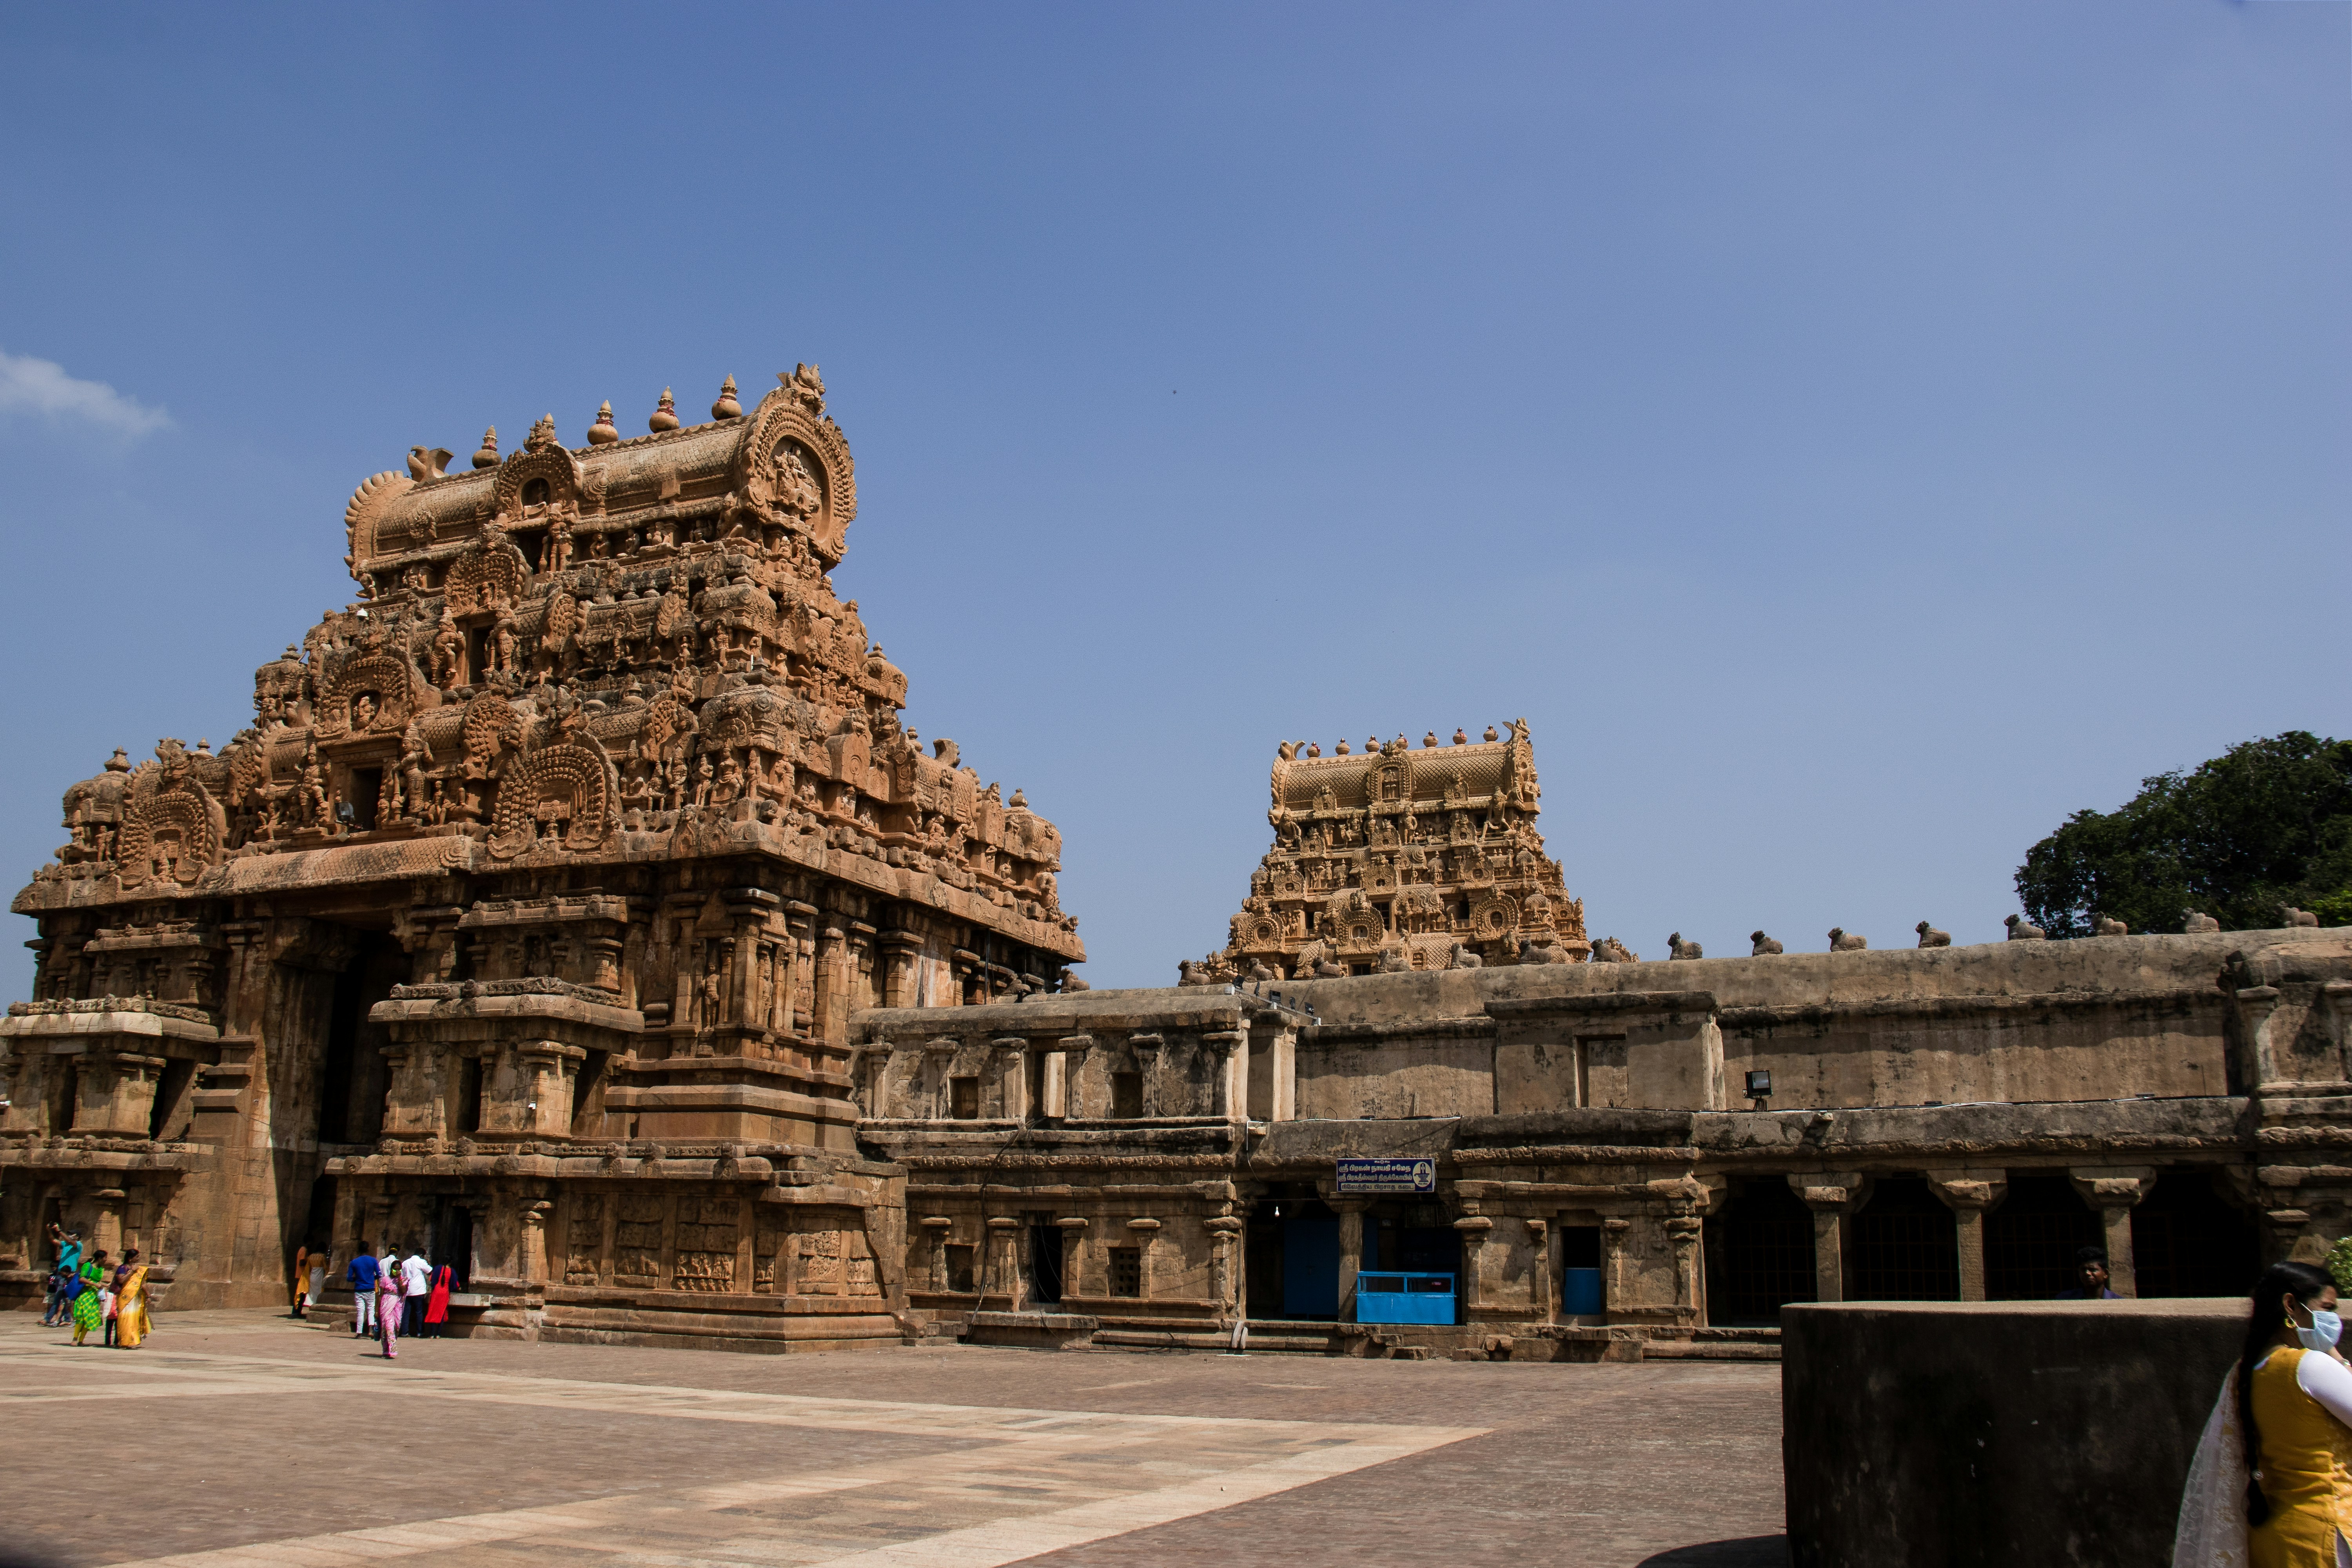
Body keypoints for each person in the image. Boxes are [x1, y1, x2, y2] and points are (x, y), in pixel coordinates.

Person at [2173, 1259, 2352, 1567]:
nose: (2335, 1320)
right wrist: (2337, 1357)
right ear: (2290, 1306)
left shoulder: (2247, 1370)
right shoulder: (2310, 1366)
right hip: (2323, 1531)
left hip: (2273, 1533)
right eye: (2327, 1308)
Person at [69, 1249, 107, 1346]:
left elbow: (97, 1281)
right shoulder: (88, 1266)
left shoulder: (101, 1269)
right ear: (100, 1258)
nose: (106, 1260)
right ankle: (75, 1338)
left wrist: (105, 1285)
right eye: (105, 1258)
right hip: (85, 1294)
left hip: (94, 1296)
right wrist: (94, 1284)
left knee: (89, 1318)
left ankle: (81, 1340)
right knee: (81, 1317)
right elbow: (82, 1279)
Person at [112, 1250, 149, 1350]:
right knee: (124, 1320)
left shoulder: (139, 1270)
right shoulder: (122, 1268)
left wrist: (148, 1296)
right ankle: (123, 1342)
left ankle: (131, 1341)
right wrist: (132, 1271)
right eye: (137, 1257)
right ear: (130, 1258)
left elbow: (143, 1284)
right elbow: (121, 1280)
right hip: (125, 1298)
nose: (139, 1259)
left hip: (135, 1298)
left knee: (133, 1320)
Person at [2058, 1246, 2123, 1299]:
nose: (2087, 1273)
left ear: (2105, 1274)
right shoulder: (2066, 1299)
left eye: (2092, 1270)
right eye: (2083, 1270)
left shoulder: (2118, 1302)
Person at [374, 1257, 406, 1360]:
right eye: (395, 1269)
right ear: (391, 1269)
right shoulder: (385, 1280)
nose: (397, 1271)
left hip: (397, 1306)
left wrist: (400, 1279)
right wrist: (376, 1310)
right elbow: (380, 1295)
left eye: (399, 1270)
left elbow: (403, 1291)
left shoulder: (404, 1279)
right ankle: (389, 1350)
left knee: (396, 1327)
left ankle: (390, 1347)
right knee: (388, 1327)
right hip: (386, 1305)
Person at [347, 1243, 380, 1338]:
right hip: (370, 1288)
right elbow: (378, 1274)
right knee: (371, 1310)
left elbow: (349, 1278)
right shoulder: (373, 1261)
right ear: (368, 1249)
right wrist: (371, 1278)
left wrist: (357, 1279)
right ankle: (371, 1331)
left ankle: (359, 1332)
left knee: (360, 1311)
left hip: (359, 1289)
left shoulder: (354, 1262)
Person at [401, 1245, 432, 1338]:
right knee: (419, 1312)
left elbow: (402, 1276)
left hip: (408, 1290)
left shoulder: (406, 1262)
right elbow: (430, 1271)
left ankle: (404, 1332)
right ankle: (420, 1332)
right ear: (422, 1255)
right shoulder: (421, 1262)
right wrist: (429, 1263)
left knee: (406, 1312)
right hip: (418, 1291)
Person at [423, 1262, 453, 1337]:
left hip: (436, 1292)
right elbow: (455, 1284)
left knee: (433, 1313)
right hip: (445, 1293)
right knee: (442, 1313)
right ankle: (438, 1334)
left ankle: (432, 1334)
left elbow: (432, 1280)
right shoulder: (451, 1271)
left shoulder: (437, 1269)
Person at [291, 1244, 312, 1318]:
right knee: (301, 1295)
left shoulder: (302, 1249)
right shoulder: (304, 1250)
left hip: (301, 1275)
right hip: (302, 1275)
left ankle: (297, 1311)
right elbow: (302, 1262)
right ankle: (296, 1312)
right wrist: (309, 1261)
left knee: (301, 1295)